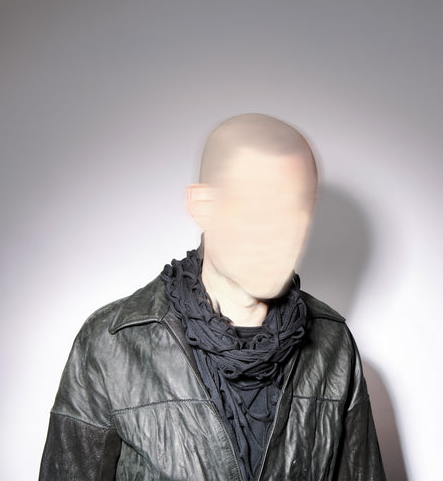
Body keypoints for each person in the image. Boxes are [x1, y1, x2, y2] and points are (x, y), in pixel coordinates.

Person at [39, 113, 386, 480]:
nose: (279, 234)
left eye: (297, 209)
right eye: (257, 206)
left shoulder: (333, 344)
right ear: (202, 206)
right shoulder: (112, 343)